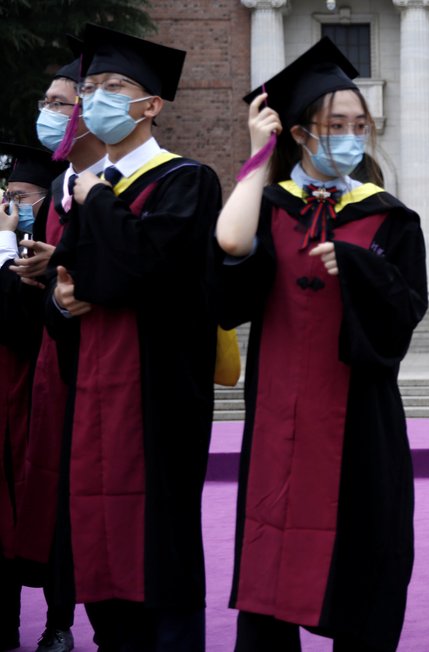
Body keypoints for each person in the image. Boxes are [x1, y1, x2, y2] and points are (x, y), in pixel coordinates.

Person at [214, 36, 427, 652]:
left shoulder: (389, 218)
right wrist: (258, 158)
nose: (352, 137)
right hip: (279, 425)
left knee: (363, 568)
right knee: (271, 571)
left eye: (361, 126)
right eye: (337, 126)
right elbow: (228, 264)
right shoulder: (272, 206)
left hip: (361, 426)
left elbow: (402, 320)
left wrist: (359, 268)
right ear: (303, 133)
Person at [45, 23, 222, 651]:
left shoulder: (186, 182)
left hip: (158, 397)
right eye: (89, 88)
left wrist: (96, 205)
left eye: (112, 87)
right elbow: (72, 281)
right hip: (93, 392)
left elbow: (149, 273)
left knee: (158, 542)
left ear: (151, 105)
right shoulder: (87, 191)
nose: (94, 99)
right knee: (97, 530)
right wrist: (63, 300)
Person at [9, 48, 107, 652]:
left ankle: (93, 618)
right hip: (48, 370)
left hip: (100, 370)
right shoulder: (50, 196)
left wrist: (65, 268)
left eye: (58, 104)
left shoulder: (111, 191)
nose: (47, 113)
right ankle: (57, 617)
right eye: (44, 103)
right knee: (49, 498)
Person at [0, 144, 65, 652]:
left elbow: (19, 326)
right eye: (7, 197)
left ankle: (57, 623)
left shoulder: (47, 251)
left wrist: (8, 247)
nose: (11, 205)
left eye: (19, 197)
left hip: (35, 402)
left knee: (46, 511)